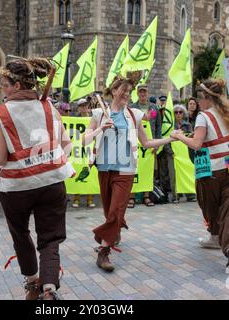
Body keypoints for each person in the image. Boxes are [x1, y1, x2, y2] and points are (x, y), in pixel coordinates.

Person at [0, 57, 75, 300]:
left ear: (18, 86)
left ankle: (32, 285)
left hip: (17, 186)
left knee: (21, 234)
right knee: (50, 238)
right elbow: (65, 144)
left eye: (6, 85)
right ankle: (49, 289)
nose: (4, 90)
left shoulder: (0, 113)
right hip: (52, 182)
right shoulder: (49, 107)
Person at [82, 73, 176, 272]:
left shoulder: (134, 115)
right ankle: (113, 233)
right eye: (123, 90)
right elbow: (84, 140)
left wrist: (170, 139)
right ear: (114, 91)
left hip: (126, 170)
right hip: (104, 168)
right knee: (109, 212)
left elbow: (147, 142)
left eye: (129, 91)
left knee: (116, 210)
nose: (127, 94)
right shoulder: (99, 114)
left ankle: (104, 252)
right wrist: (100, 129)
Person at [172, 79, 229, 273]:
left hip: (214, 169)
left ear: (208, 98)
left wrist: (179, 136)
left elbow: (196, 144)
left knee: (208, 204)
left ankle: (216, 236)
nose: (199, 101)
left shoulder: (204, 116)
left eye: (200, 98)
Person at [129, 84, 157, 207]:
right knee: (134, 168)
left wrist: (157, 144)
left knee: (148, 168)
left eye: (144, 92)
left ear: (147, 93)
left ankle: (146, 196)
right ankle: (132, 196)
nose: (143, 94)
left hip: (150, 142)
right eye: (140, 92)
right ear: (137, 93)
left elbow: (158, 126)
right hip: (136, 141)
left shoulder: (154, 108)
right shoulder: (132, 108)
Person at [72, 98, 96, 208]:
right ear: (78, 107)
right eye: (81, 106)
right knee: (78, 170)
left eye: (86, 105)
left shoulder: (93, 119)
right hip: (78, 149)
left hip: (90, 148)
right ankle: (76, 198)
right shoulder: (74, 120)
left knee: (89, 171)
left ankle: (90, 199)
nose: (84, 107)